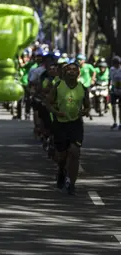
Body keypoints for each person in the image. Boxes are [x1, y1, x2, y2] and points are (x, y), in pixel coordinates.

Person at [46, 62, 90, 195]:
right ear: (64, 73)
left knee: (75, 152)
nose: (71, 72)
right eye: (68, 70)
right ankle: (61, 171)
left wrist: (85, 111)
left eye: (74, 70)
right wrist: (56, 112)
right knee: (61, 156)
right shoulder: (58, 86)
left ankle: (72, 184)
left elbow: (87, 106)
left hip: (75, 124)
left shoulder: (82, 87)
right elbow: (48, 102)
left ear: (78, 73)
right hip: (60, 124)